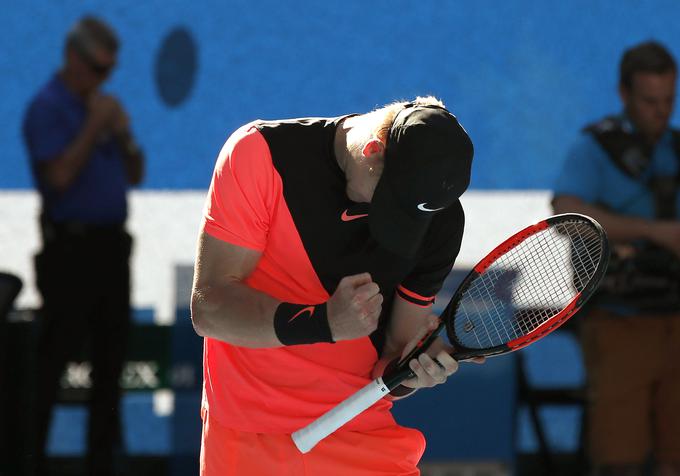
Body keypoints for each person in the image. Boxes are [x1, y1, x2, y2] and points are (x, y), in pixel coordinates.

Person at [191, 96, 476, 475]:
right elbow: (209, 309)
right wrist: (324, 322)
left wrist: (416, 370)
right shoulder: (260, 152)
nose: (396, 225)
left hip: (364, 436)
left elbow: (391, 360)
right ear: (372, 150)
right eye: (392, 204)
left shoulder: (438, 221)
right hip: (249, 436)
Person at [23, 16, 144, 476]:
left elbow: (134, 174)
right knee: (51, 363)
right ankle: (27, 458)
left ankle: (102, 463)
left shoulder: (102, 109)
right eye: (96, 68)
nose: (103, 79)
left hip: (111, 251)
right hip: (69, 253)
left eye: (109, 71)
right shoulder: (48, 108)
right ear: (73, 57)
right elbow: (57, 178)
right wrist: (95, 123)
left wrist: (123, 133)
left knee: (110, 368)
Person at [553, 41, 680, 476]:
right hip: (621, 314)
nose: (660, 112)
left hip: (676, 313)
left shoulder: (675, 148)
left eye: (668, 100)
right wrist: (651, 232)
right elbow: (566, 212)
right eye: (649, 101)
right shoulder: (597, 148)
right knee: (619, 453)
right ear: (624, 94)